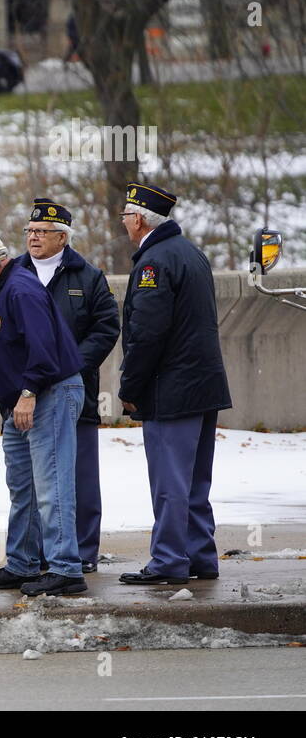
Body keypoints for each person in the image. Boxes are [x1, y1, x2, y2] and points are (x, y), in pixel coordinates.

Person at [0, 198, 119, 572]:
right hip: (22, 392)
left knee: (70, 482)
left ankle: (77, 558)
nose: (34, 238)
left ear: (63, 238)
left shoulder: (87, 276)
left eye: (43, 232)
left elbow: (105, 328)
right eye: (30, 231)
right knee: (27, 486)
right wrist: (0, 371)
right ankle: (32, 560)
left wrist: (65, 365)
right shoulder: (10, 273)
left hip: (67, 391)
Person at [0, 230, 87, 597]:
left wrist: (28, 392)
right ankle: (23, 562)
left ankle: (65, 568)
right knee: (24, 486)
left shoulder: (21, 290)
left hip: (48, 393)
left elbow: (42, 347)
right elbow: (10, 349)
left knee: (52, 484)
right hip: (19, 397)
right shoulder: (3, 290)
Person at [117, 183, 231, 585]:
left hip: (172, 390)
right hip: (203, 387)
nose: (125, 223)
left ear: (141, 220)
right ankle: (200, 556)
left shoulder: (154, 263)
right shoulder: (190, 253)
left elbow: (147, 334)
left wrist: (130, 387)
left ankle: (168, 560)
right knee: (196, 481)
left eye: (126, 216)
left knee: (170, 483)